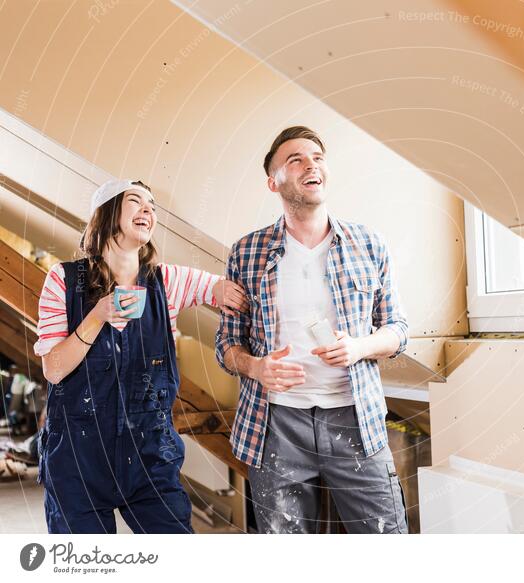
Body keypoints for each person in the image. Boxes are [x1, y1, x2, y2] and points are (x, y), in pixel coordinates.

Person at [216, 126, 409, 534]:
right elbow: (227, 344)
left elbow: (397, 329)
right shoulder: (246, 252)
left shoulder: (368, 244)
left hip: (356, 419)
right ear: (274, 182)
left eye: (317, 157)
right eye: (296, 160)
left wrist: (358, 347)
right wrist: (256, 368)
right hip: (276, 424)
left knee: (384, 537)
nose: (311, 165)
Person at [34, 179, 247, 534]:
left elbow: (227, 291)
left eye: (152, 204)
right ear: (105, 215)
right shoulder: (64, 281)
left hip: (150, 456)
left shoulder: (168, 282)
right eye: (136, 201)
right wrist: (97, 316)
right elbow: (54, 370)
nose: (149, 209)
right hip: (77, 458)